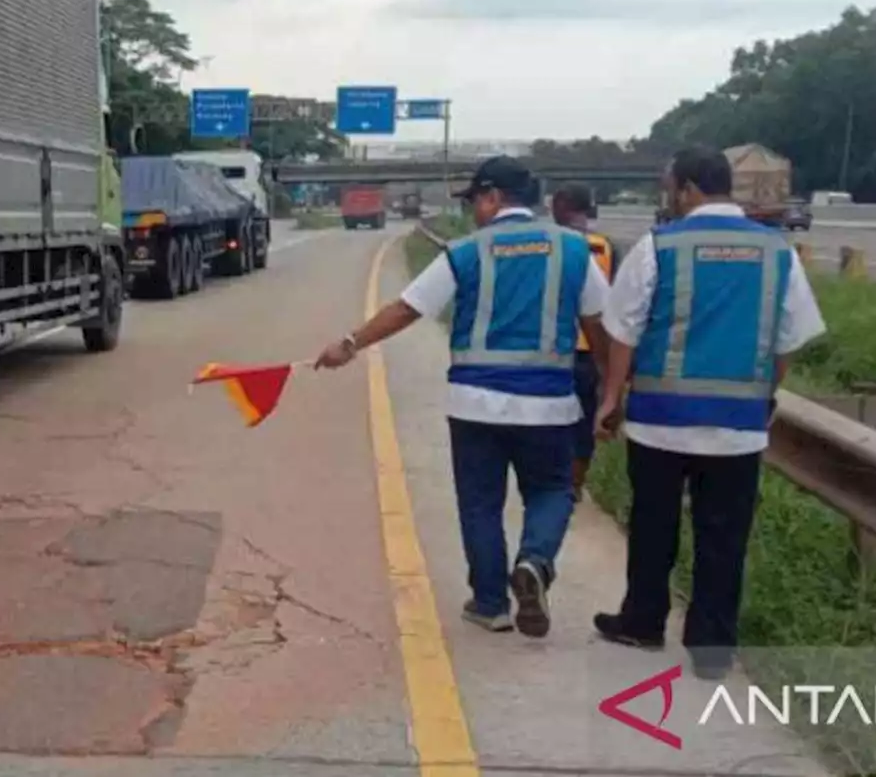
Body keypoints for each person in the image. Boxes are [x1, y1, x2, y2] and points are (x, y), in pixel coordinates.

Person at [315, 156, 611, 638]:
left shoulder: (466, 252)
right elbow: (600, 327)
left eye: (475, 199)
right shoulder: (574, 251)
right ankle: (535, 561)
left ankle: (491, 602)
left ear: (494, 197)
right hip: (549, 405)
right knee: (553, 491)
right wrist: (609, 389)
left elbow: (407, 308)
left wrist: (349, 344)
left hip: (473, 404)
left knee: (480, 504)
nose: (474, 210)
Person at [592, 147, 826, 679]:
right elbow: (790, 338)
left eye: (670, 186)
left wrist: (611, 398)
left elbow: (622, 330)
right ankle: (712, 646)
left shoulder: (660, 246)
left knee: (654, 525)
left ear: (688, 189)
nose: (667, 196)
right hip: (737, 429)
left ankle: (644, 621)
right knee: (723, 536)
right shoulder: (777, 252)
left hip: (659, 421)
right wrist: (764, 389)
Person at [551, 184, 615, 501]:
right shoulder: (605, 246)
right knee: (585, 420)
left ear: (563, 205)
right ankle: (574, 486)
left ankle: (552, 481)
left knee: (551, 419)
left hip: (557, 347)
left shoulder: (553, 247)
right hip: (593, 350)